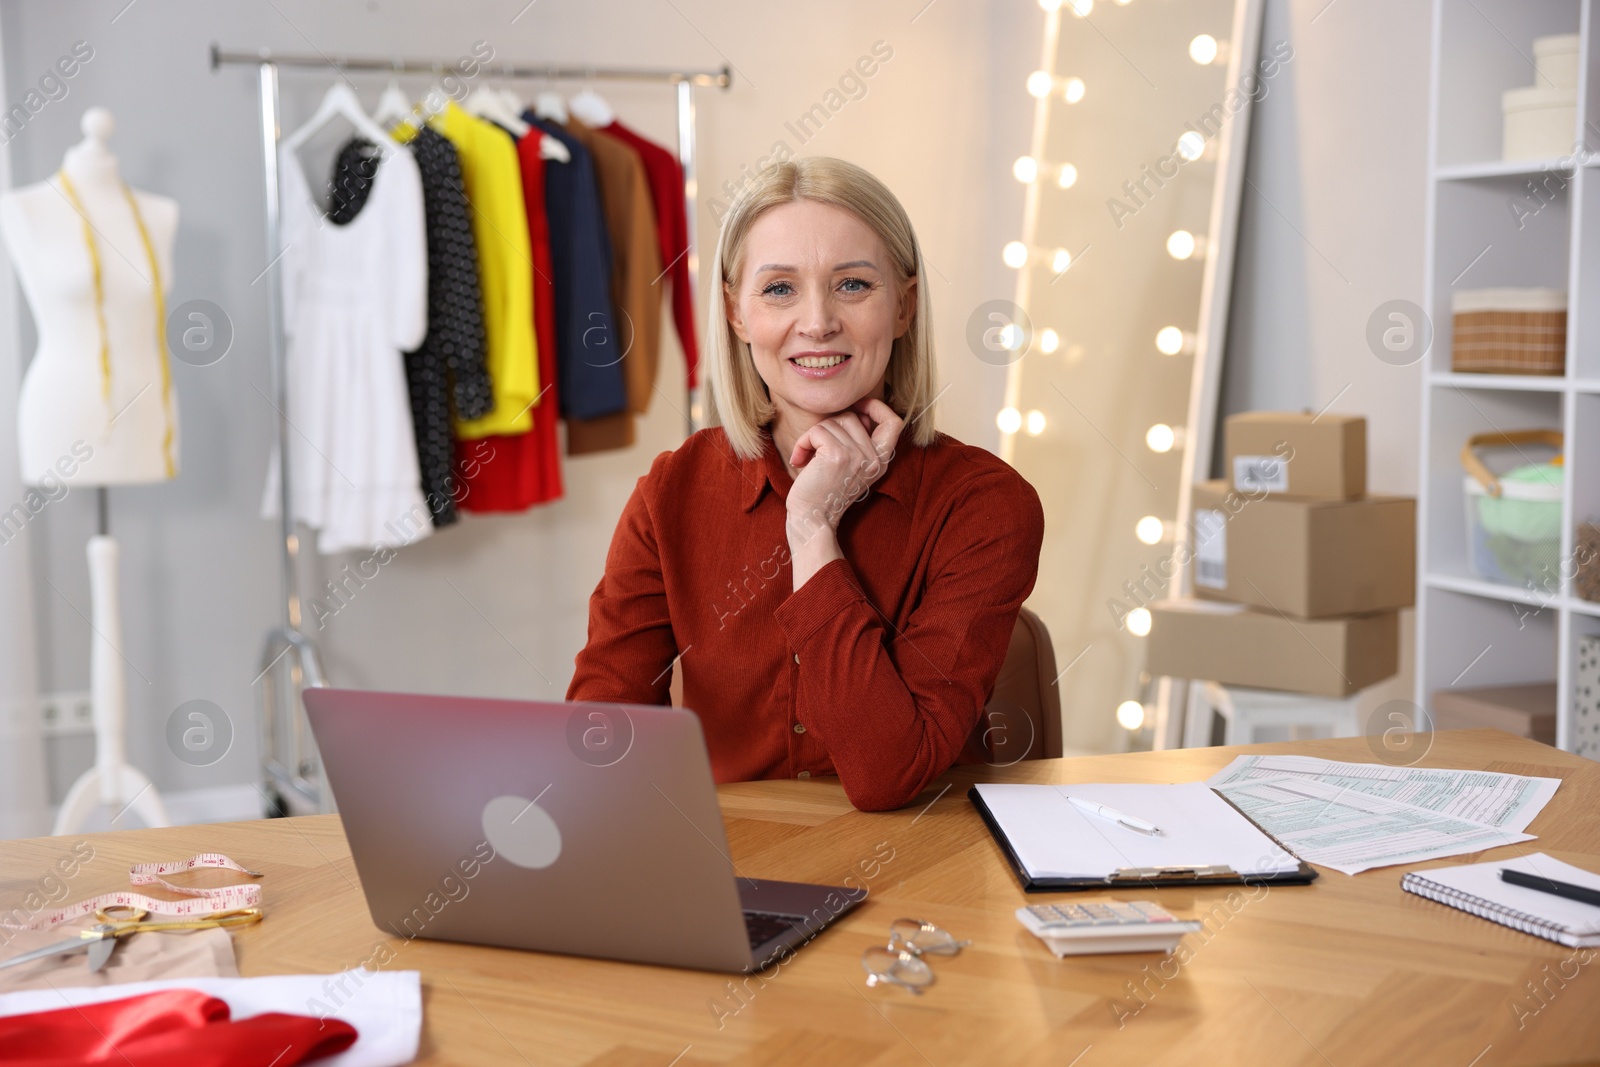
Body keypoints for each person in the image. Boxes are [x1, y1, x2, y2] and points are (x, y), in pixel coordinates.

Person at [567, 156, 1044, 811]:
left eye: (851, 285)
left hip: (922, 875)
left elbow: (887, 775)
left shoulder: (985, 505)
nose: (817, 322)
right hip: (733, 879)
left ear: (903, 306)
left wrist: (811, 528)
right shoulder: (672, 490)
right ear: (737, 313)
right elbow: (600, 744)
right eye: (780, 289)